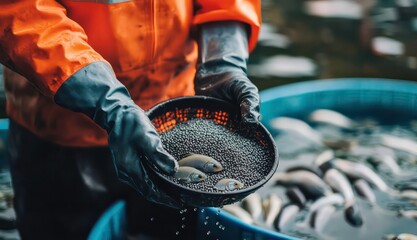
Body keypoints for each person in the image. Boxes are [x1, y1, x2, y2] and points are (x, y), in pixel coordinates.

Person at [0, 0, 261, 239]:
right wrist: (107, 101)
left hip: (173, 115)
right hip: (62, 125)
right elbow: (19, 11)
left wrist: (223, 60)